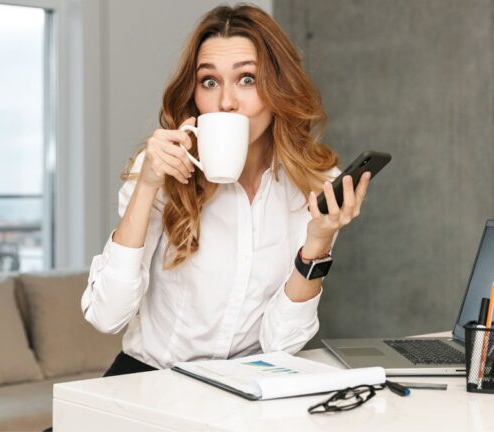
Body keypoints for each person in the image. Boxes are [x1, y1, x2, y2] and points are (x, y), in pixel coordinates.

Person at [81, 4, 370, 377]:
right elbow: (106, 316)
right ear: (194, 94)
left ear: (278, 86)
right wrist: (147, 184)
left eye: (247, 79)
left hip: (243, 385)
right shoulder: (162, 169)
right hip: (149, 378)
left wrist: (318, 244)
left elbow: (281, 344)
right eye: (209, 81)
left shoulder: (313, 182)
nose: (226, 102)